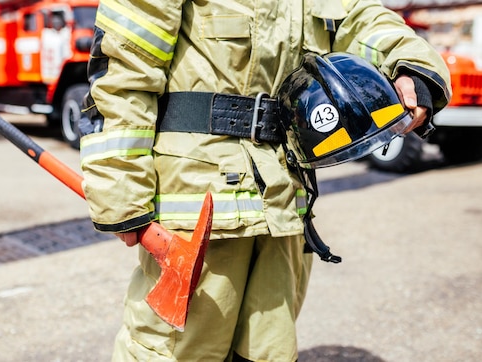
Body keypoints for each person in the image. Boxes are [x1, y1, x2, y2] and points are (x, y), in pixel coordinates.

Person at [79, 0, 451, 360]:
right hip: (198, 203)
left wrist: (412, 66)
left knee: (268, 351)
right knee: (176, 352)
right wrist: (122, 196)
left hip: (284, 201)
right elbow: (123, 73)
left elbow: (361, 19)